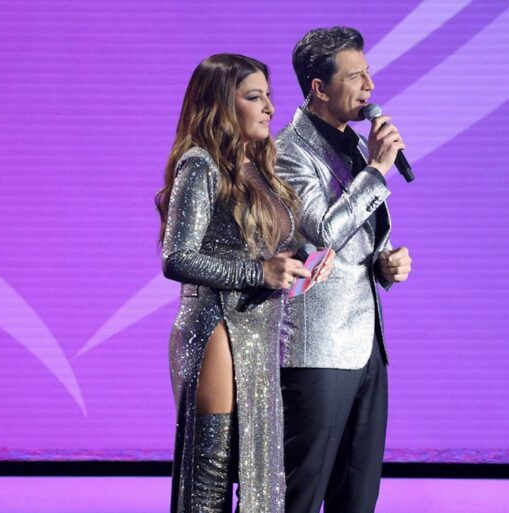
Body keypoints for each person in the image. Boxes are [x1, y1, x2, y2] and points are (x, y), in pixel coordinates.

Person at [157, 54, 332, 513]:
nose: (270, 107)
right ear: (221, 104)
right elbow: (176, 257)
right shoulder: (201, 164)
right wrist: (260, 273)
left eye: (268, 96)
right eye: (254, 97)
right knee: (211, 477)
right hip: (218, 327)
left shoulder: (257, 165)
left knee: (263, 477)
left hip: (260, 328)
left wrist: (304, 258)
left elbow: (265, 246)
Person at [275, 27, 413, 513]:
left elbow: (358, 238)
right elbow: (322, 232)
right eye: (355, 76)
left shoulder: (353, 144)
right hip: (318, 348)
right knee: (301, 493)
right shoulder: (289, 151)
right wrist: (376, 171)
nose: (369, 85)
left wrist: (386, 263)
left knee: (357, 496)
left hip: (367, 345)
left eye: (368, 72)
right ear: (319, 87)